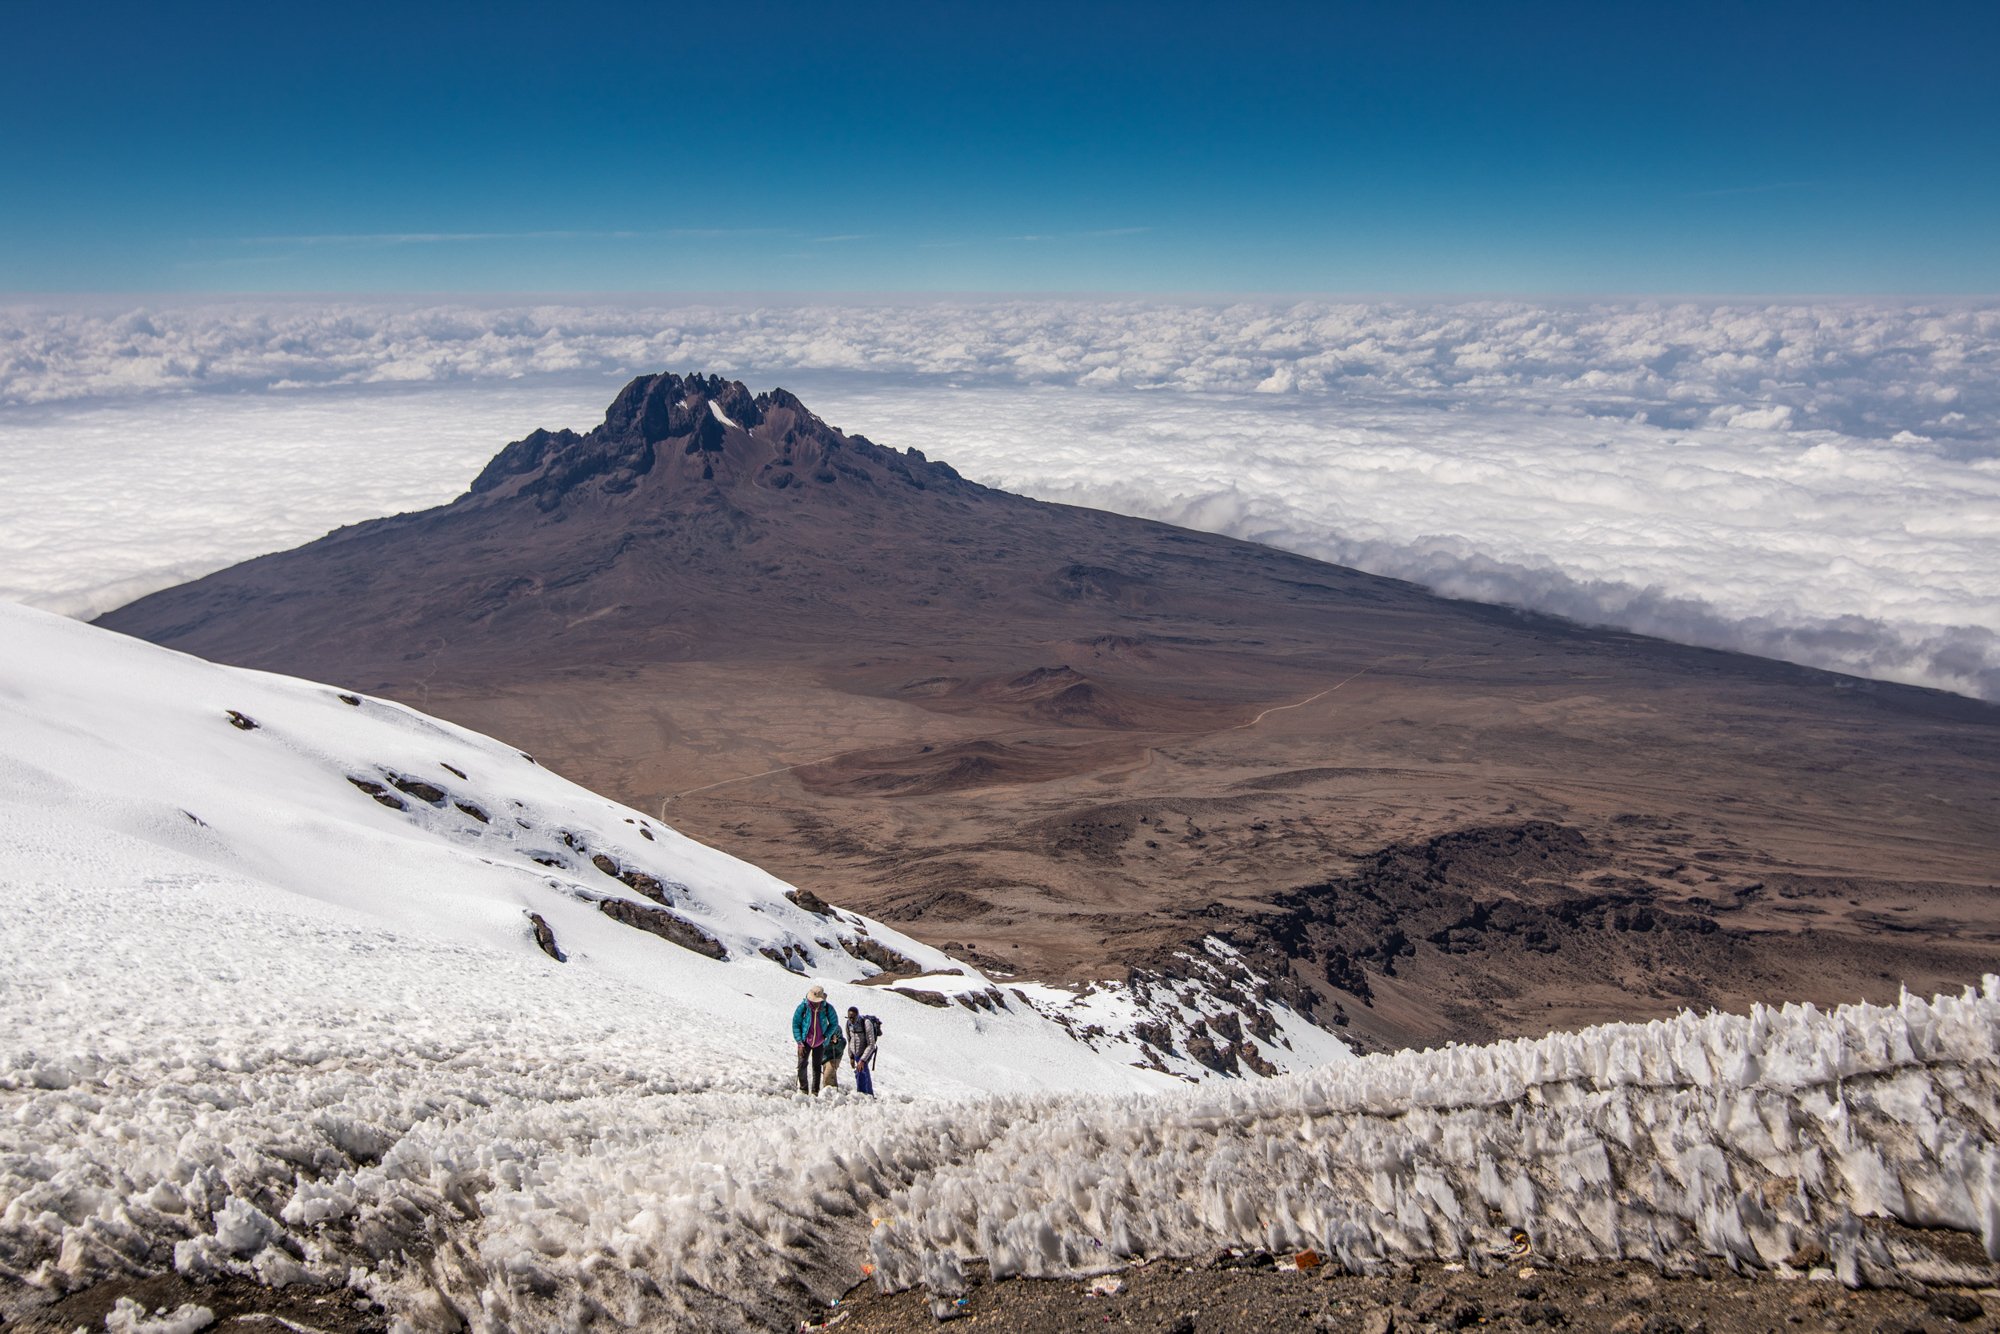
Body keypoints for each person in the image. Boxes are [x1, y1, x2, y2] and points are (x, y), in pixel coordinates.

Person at [792, 985, 842, 1094]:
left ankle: (815, 1091)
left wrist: (826, 1036)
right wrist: (800, 1042)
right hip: (805, 1040)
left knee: (816, 1066)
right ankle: (804, 1089)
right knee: (802, 1064)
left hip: (820, 1041)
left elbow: (834, 1023)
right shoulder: (803, 1007)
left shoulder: (827, 1008)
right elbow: (796, 1023)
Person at [845, 1005, 882, 1096]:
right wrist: (851, 1056)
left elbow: (871, 1044)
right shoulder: (848, 1024)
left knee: (861, 1070)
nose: (852, 1020)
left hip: (866, 1050)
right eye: (850, 1017)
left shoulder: (866, 1023)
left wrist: (862, 1060)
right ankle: (868, 1095)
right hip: (856, 1053)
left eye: (853, 1017)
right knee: (862, 1070)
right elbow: (849, 1040)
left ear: (858, 1015)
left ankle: (862, 1095)